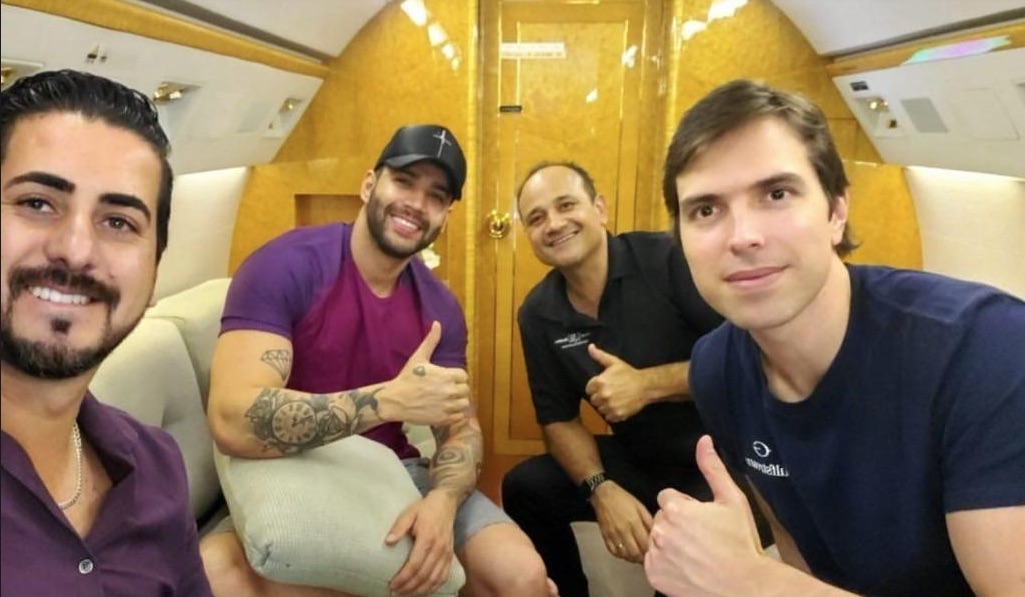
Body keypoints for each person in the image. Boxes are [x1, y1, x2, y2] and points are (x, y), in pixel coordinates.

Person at [645, 79, 1025, 597]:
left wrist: (749, 580)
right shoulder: (716, 369)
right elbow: (800, 554)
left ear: (836, 211)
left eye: (777, 194)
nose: (742, 237)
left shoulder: (988, 352)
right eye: (706, 210)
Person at [199, 124, 553, 597]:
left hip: (393, 472)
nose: (416, 203)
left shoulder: (439, 307)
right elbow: (232, 419)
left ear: (445, 216)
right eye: (404, 182)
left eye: (436, 196)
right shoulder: (285, 265)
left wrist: (443, 501)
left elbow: (461, 429)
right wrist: (386, 401)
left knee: (521, 575)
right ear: (369, 184)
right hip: (292, 466)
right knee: (216, 573)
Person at [0, 70, 213, 595]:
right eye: (36, 202)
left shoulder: (157, 465)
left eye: (119, 222)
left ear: (154, 270)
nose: (75, 251)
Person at [502, 162, 725, 597]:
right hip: (637, 457)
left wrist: (647, 385)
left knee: (685, 547)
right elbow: (558, 420)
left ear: (600, 209)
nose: (554, 224)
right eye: (537, 218)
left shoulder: (670, 259)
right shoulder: (538, 313)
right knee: (525, 486)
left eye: (566, 205)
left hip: (720, 459)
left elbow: (747, 362)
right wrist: (600, 489)